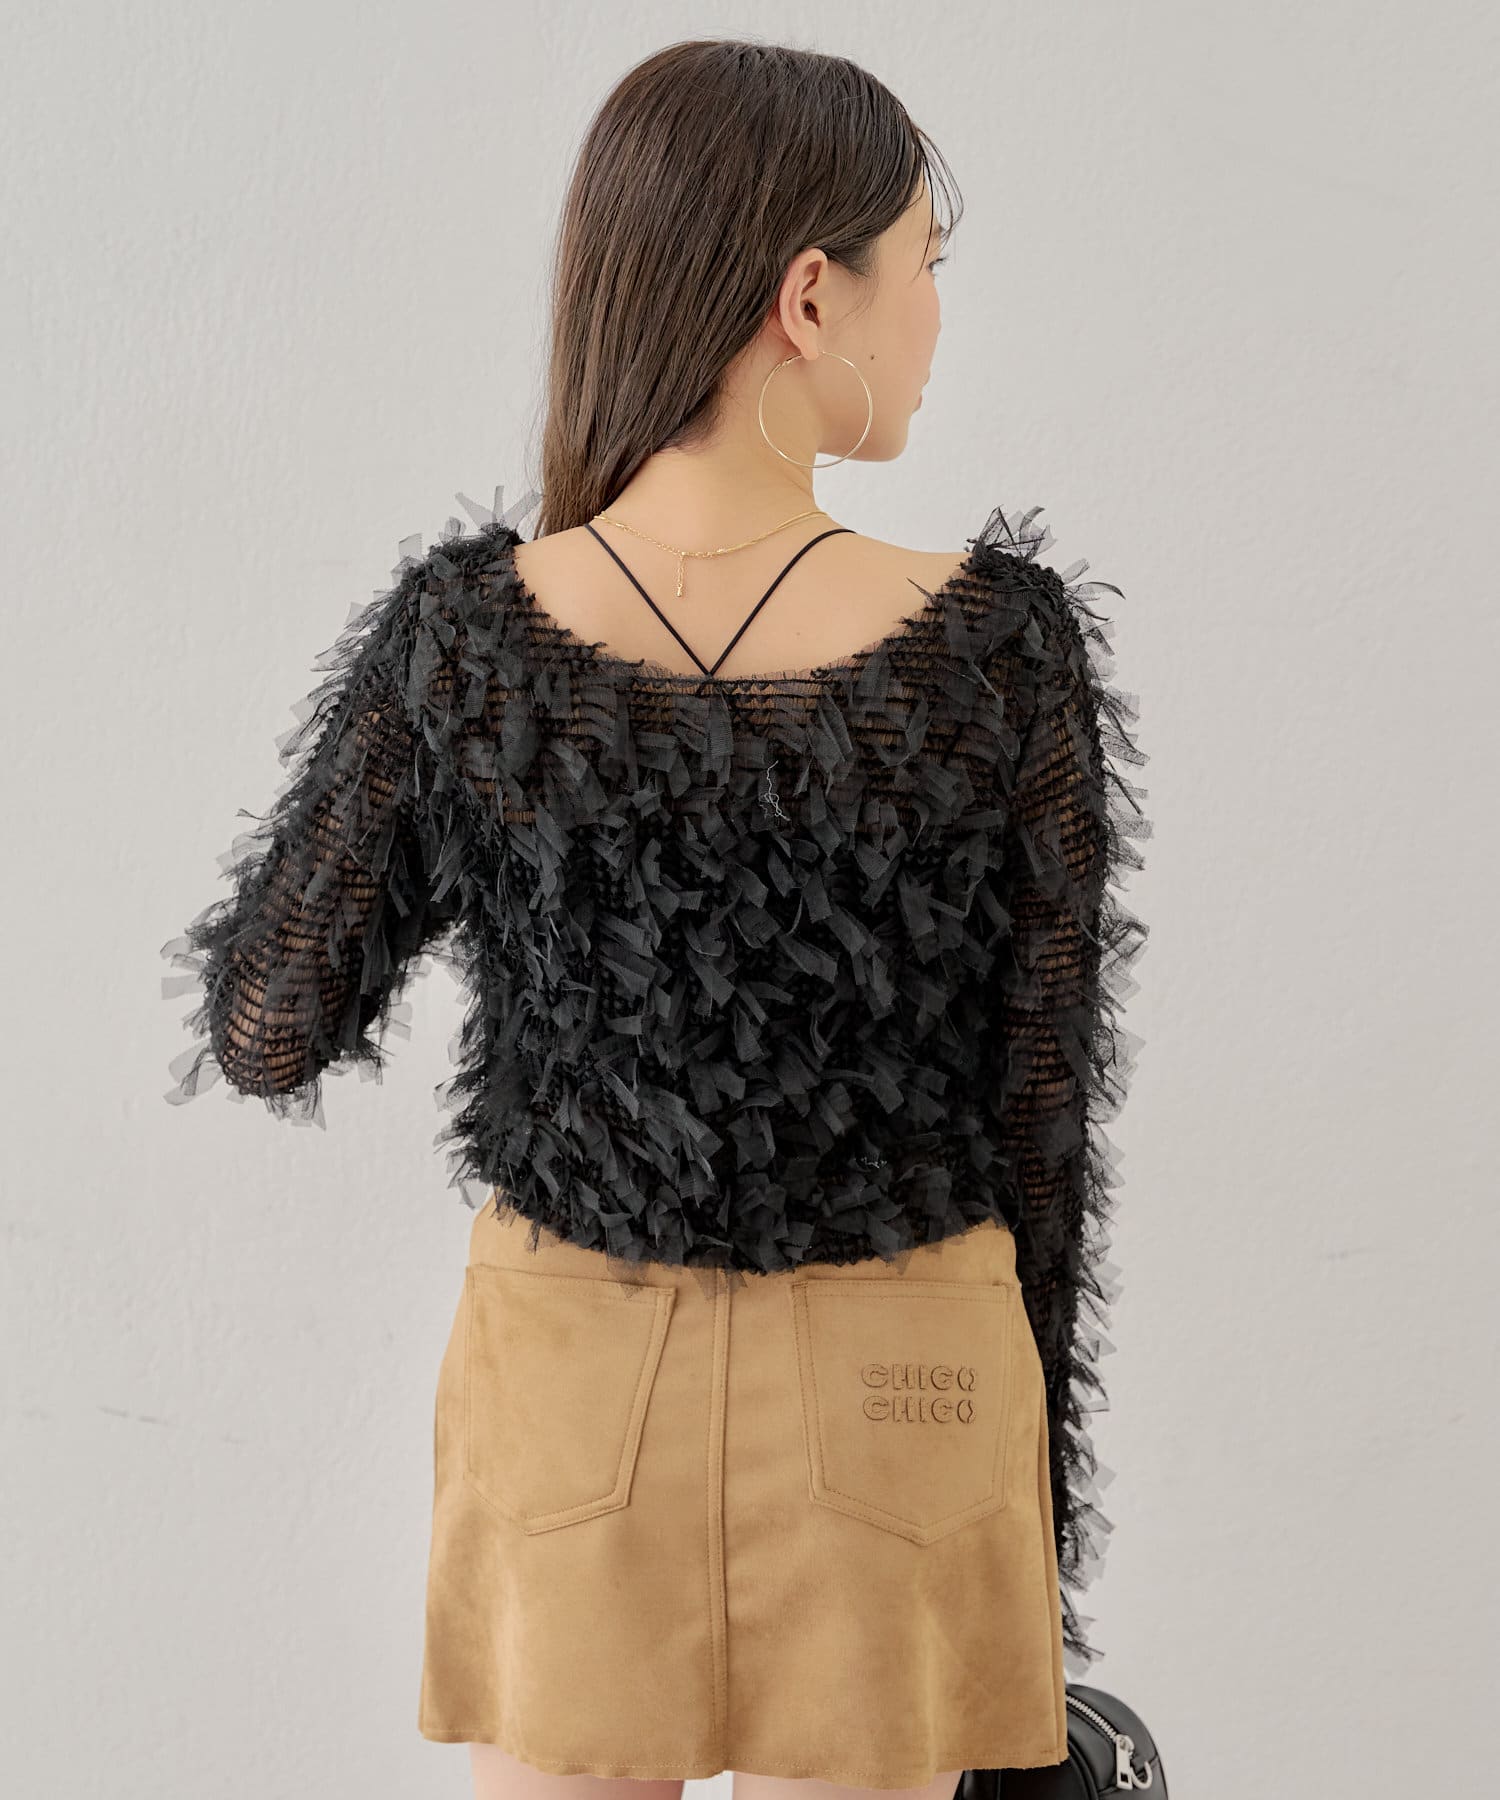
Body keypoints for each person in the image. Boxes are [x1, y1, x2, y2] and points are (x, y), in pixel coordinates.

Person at [161, 36, 1149, 1800]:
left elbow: (267, 1027)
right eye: (923, 265)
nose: (934, 315)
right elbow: (1039, 1127)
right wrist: (1034, 1533)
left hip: (572, 1379)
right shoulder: (1001, 652)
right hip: (904, 1395)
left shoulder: (471, 643)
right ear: (809, 298)